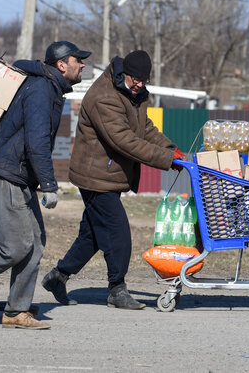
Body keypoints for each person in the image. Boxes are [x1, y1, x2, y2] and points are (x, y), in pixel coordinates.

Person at [0, 41, 90, 330]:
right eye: (78, 60)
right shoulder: (41, 90)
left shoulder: (49, 88)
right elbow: (37, 141)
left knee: (34, 244)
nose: (82, 64)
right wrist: (49, 183)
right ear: (62, 64)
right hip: (5, 174)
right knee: (15, 246)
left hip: (17, 175)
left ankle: (16, 311)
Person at [42, 50, 184, 310]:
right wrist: (166, 159)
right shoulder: (104, 96)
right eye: (136, 79)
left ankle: (58, 276)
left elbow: (143, 128)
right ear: (124, 73)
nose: (140, 85)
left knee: (93, 235)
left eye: (144, 80)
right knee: (118, 231)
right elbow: (124, 140)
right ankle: (117, 290)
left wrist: (171, 149)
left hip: (108, 174)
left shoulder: (132, 93)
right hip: (95, 176)